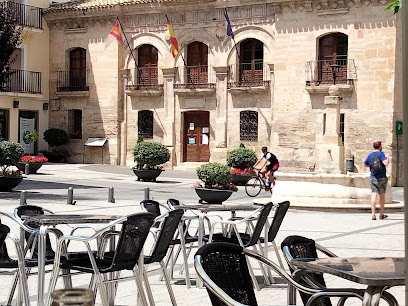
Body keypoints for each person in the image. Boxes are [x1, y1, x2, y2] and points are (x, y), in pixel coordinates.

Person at [364, 141, 389, 220]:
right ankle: (381, 214)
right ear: (380, 146)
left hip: (373, 176)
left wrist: (371, 165)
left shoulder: (370, 155)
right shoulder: (381, 154)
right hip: (381, 177)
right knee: (382, 195)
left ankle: (373, 214)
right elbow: (386, 163)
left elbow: (365, 164)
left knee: (374, 194)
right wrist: (388, 158)